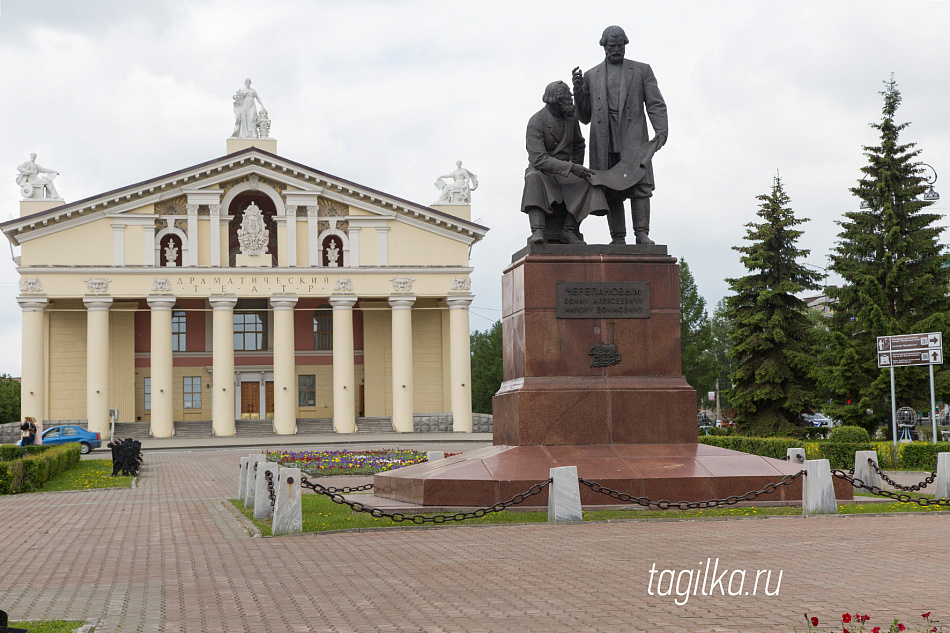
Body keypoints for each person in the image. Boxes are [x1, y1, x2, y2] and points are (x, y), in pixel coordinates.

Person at [573, 25, 668, 244]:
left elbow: (655, 104)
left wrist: (661, 131)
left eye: (620, 46)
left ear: (625, 45)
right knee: (612, 188)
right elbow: (585, 116)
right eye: (611, 46)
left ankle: (642, 233)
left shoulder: (642, 70)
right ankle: (618, 237)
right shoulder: (591, 76)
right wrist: (578, 90)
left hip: (634, 140)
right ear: (604, 47)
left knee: (640, 187)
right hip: (604, 141)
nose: (616, 50)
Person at [521, 81, 608, 245]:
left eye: (570, 99)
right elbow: (538, 159)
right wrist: (571, 167)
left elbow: (578, 144)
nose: (570, 103)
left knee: (591, 181)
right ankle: (537, 231)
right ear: (554, 101)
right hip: (543, 172)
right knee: (533, 177)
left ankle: (569, 229)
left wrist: (576, 168)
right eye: (565, 100)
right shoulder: (536, 121)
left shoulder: (571, 117)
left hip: (564, 172)